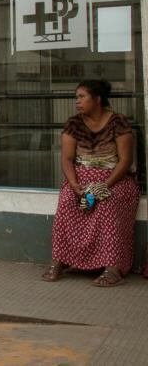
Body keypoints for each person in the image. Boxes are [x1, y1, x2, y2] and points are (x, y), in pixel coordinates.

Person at [42, 79, 138, 287]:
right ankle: (60, 260)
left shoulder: (118, 122)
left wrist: (103, 185)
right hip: (81, 177)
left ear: (97, 99)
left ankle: (112, 267)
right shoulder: (73, 123)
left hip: (114, 178)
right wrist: (75, 185)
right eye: (77, 97)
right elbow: (67, 159)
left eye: (82, 97)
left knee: (107, 203)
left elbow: (125, 161)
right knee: (68, 200)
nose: (77, 101)